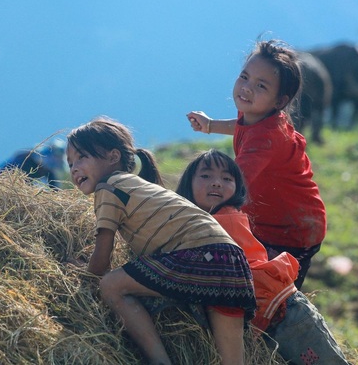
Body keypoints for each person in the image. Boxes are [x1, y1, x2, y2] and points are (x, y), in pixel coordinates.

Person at [66, 117, 256, 365]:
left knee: (111, 285)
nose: (74, 169)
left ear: (113, 157)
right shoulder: (141, 187)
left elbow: (102, 257)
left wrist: (86, 275)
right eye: (70, 163)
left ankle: (160, 361)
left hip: (199, 254)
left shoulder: (109, 187)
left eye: (81, 157)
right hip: (232, 262)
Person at [176, 149, 349, 364]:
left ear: (237, 188)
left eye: (226, 178)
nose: (216, 183)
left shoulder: (225, 218)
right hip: (265, 318)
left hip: (286, 311)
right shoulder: (204, 220)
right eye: (206, 176)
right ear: (187, 184)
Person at [187, 39, 326, 289]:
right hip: (273, 220)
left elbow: (234, 187)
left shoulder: (266, 139)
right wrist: (210, 125)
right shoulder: (257, 114)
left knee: (272, 295)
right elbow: (241, 126)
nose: (247, 88)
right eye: (244, 77)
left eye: (261, 85)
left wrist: (189, 208)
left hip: (292, 232)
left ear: (279, 101)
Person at [0, 139, 67, 188]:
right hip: (1, 182)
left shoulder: (48, 170)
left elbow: (55, 189)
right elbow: (5, 174)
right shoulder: (25, 160)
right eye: (55, 157)